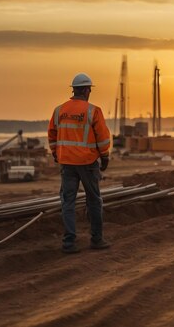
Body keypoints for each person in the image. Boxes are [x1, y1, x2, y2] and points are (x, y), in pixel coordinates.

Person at [48, 73, 112, 253]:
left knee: (68, 201)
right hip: (87, 162)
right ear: (85, 90)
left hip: (67, 163)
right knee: (94, 200)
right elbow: (102, 137)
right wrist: (105, 157)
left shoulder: (59, 110)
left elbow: (52, 135)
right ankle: (97, 239)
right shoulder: (93, 111)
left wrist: (55, 153)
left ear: (73, 90)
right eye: (89, 89)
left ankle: (69, 243)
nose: (90, 92)